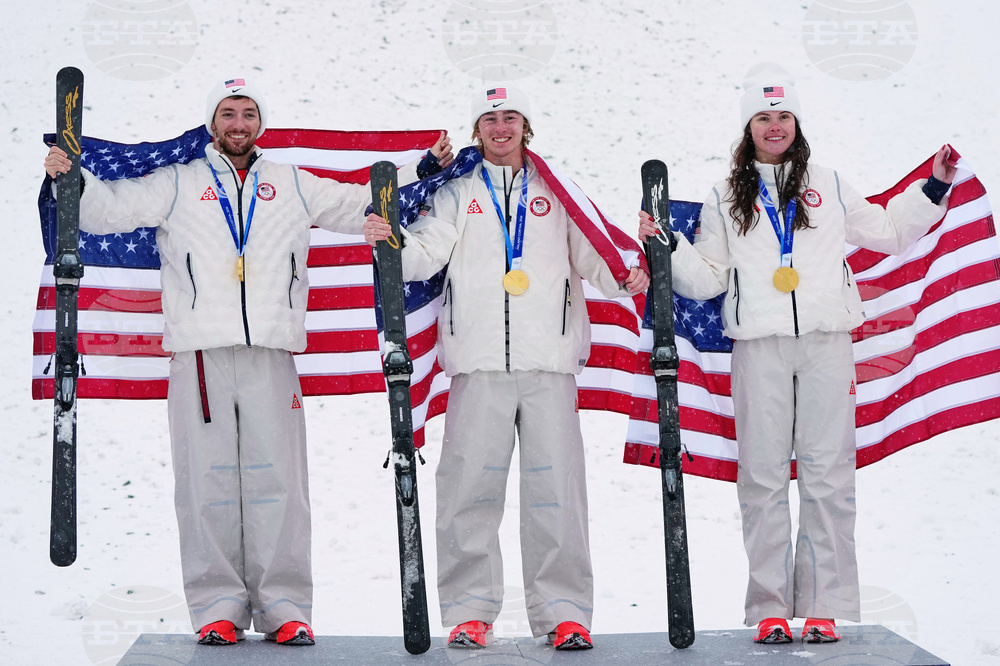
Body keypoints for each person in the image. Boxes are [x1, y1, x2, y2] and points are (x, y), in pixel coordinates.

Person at [44, 76, 453, 647]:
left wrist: (421, 176)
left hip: (271, 350)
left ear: (261, 122)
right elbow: (108, 210)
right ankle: (217, 606)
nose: (239, 124)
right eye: (228, 113)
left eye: (249, 113)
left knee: (280, 482)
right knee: (204, 482)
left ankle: (285, 606)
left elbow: (357, 199)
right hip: (199, 356)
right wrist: (71, 176)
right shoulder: (178, 182)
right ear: (213, 122)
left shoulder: (290, 182)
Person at [638, 63, 956, 644]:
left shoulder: (829, 184)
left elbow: (886, 231)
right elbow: (708, 278)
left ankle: (823, 606)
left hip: (825, 343)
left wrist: (931, 187)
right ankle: (769, 608)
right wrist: (668, 247)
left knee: (828, 476)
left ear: (797, 123)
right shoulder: (726, 195)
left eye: (783, 115)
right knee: (761, 476)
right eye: (763, 117)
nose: (775, 125)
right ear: (748, 127)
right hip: (758, 347)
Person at [364, 84, 649, 651]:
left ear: (526, 125)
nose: (500, 128)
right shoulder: (459, 192)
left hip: (550, 364)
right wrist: (391, 235)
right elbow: (426, 254)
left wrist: (626, 275)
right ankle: (471, 610)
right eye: (489, 119)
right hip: (478, 364)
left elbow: (594, 254)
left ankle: (563, 612)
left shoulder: (557, 191)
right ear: (476, 129)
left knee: (557, 494)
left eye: (510, 117)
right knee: (469, 490)